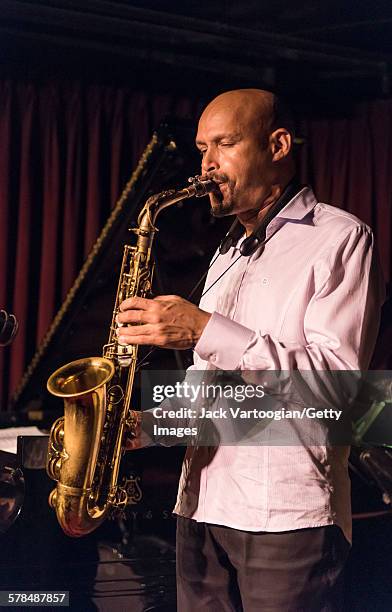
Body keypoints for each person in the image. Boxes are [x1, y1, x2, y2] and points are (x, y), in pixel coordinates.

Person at [116, 89, 385, 611]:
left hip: (286, 518)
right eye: (200, 149)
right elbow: (211, 402)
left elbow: (336, 392)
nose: (207, 164)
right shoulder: (226, 254)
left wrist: (205, 330)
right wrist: (147, 427)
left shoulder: (341, 238)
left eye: (225, 144)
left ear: (278, 145)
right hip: (199, 507)